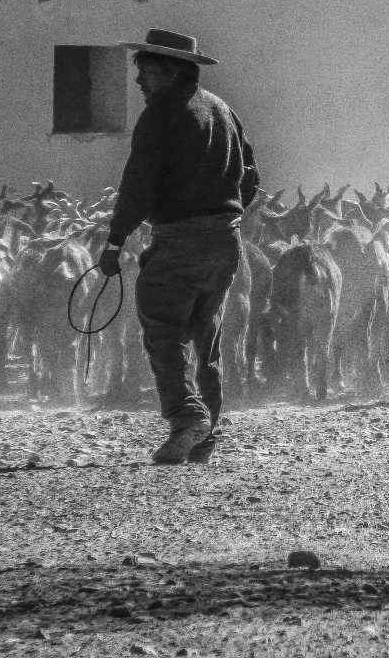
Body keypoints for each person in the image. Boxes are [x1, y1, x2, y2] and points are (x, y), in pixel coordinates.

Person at [99, 28, 259, 465]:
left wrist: (116, 240)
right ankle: (208, 434)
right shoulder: (223, 111)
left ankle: (187, 416)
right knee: (207, 337)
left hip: (178, 240)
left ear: (170, 71)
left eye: (145, 71)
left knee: (163, 328)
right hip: (226, 242)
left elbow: (138, 183)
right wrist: (225, 217)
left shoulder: (161, 114)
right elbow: (251, 177)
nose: (138, 81)